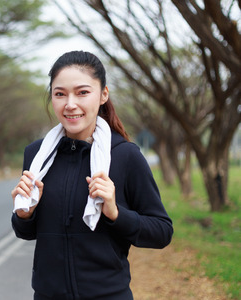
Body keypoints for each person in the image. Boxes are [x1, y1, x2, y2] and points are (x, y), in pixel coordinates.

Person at [11, 50, 173, 300]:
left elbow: (162, 232)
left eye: (82, 92)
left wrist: (116, 214)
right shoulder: (36, 156)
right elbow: (28, 232)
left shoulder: (125, 155)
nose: (70, 104)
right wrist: (24, 214)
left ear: (103, 95)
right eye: (60, 94)